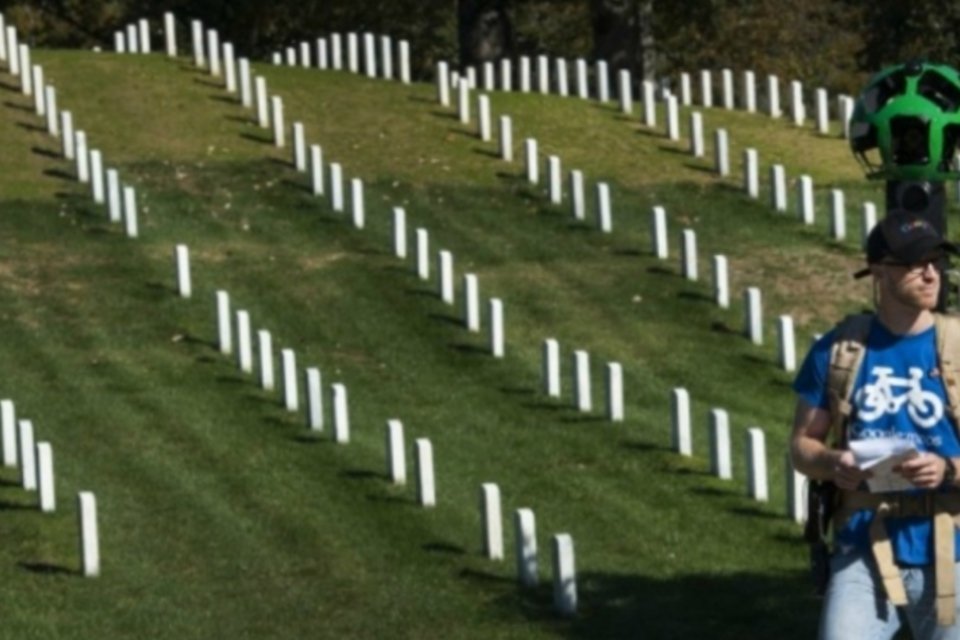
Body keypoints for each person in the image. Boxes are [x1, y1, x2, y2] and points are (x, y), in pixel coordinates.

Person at [791, 211, 960, 639]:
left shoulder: (957, 346)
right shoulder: (839, 350)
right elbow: (802, 446)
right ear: (880, 271)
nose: (930, 272)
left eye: (935, 261)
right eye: (914, 262)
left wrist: (947, 468)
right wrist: (834, 462)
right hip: (861, 548)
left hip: (951, 549)